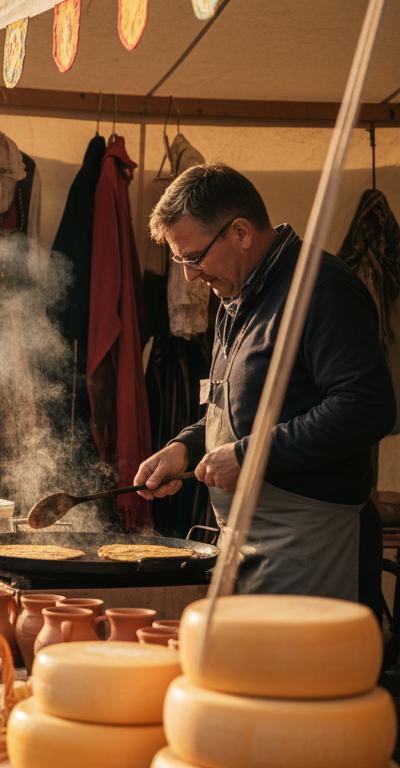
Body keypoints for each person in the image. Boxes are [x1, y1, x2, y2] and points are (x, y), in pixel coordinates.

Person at [135, 164, 395, 601]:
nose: (190, 275)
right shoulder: (234, 297)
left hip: (311, 546)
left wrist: (250, 456)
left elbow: (367, 406)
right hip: (243, 540)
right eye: (182, 261)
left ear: (240, 232)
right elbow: (234, 410)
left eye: (194, 258)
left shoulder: (321, 288)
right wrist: (186, 447)